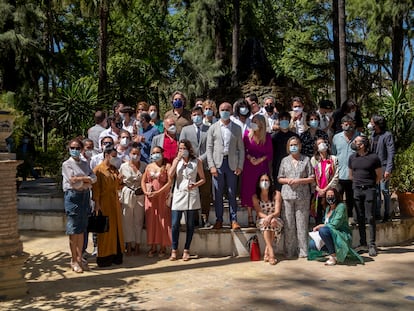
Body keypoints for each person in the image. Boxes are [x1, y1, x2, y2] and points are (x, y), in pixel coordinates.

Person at [207, 102, 245, 230]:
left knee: (232, 192)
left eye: (227, 109)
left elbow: (241, 148)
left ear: (231, 111)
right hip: (218, 164)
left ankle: (234, 220)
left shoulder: (237, 128)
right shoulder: (213, 128)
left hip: (232, 163)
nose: (225, 111)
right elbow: (209, 148)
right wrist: (211, 165)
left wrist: (240, 165)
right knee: (217, 194)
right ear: (218, 111)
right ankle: (219, 220)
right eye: (222, 109)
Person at [62, 138, 97, 272]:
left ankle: (80, 256)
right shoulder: (67, 164)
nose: (75, 150)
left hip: (84, 196)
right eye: (72, 147)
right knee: (73, 229)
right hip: (73, 197)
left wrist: (81, 180)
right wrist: (85, 180)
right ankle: (73, 260)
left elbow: (93, 178)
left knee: (82, 228)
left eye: (77, 148)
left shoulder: (84, 163)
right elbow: (72, 181)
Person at [168, 139, 205, 261]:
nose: (182, 151)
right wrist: (177, 160)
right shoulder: (176, 161)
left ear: (189, 149)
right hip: (178, 194)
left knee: (190, 224)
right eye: (180, 149)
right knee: (175, 224)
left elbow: (203, 179)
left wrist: (194, 185)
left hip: (191, 193)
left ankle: (186, 249)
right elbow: (170, 175)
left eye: (184, 148)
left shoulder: (196, 161)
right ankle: (174, 249)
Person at [278, 137, 314, 258]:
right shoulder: (284, 161)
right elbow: (279, 178)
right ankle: (289, 251)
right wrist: (288, 180)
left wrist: (300, 180)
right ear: (288, 147)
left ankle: (303, 251)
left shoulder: (306, 159)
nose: (293, 147)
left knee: (302, 224)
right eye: (291, 145)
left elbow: (312, 177)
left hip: (302, 196)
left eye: (295, 144)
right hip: (287, 196)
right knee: (289, 225)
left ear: (300, 146)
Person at [308, 188, 364, 265]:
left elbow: (335, 224)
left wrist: (321, 226)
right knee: (312, 244)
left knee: (323, 230)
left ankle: (333, 256)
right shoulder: (328, 208)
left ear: (336, 196)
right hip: (331, 235)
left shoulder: (341, 207)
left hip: (341, 235)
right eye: (328, 196)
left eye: (332, 195)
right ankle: (334, 251)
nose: (330, 197)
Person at [349, 135, 382, 257]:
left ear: (362, 144)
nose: (354, 143)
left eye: (356, 142)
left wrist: (371, 185)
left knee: (370, 217)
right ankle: (362, 243)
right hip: (357, 190)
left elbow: (379, 175)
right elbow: (350, 175)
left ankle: (372, 245)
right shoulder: (352, 157)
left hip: (369, 190)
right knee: (360, 217)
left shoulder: (374, 158)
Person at [92, 146, 125, 267]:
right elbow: (96, 189)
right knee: (105, 231)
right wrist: (97, 204)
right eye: (113, 156)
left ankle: (116, 255)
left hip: (114, 203)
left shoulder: (113, 169)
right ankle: (104, 257)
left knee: (116, 229)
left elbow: (118, 186)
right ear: (107, 155)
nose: (115, 159)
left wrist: (120, 180)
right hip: (104, 203)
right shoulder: (98, 170)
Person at [179, 106, 212, 227]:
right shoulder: (185, 130)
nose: (196, 116)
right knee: (192, 192)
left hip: (205, 166)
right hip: (190, 166)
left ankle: (205, 218)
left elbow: (211, 147)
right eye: (193, 114)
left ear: (203, 115)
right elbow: (182, 146)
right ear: (191, 116)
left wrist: (200, 159)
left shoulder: (209, 129)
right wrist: (193, 160)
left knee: (205, 193)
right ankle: (194, 219)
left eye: (198, 114)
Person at [241, 114, 273, 227]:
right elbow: (243, 150)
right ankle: (250, 215)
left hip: (261, 167)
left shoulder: (267, 137)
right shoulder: (246, 135)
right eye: (252, 121)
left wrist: (260, 160)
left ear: (261, 123)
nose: (253, 123)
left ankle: (260, 214)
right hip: (249, 166)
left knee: (260, 189)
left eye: (256, 121)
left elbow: (269, 153)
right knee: (249, 189)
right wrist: (250, 158)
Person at [141, 146, 172, 257]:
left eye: (158, 152)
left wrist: (159, 192)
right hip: (150, 197)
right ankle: (153, 246)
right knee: (151, 220)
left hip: (162, 196)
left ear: (162, 153)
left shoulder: (167, 166)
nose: (155, 154)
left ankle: (163, 247)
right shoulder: (149, 166)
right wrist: (145, 192)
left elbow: (169, 182)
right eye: (153, 153)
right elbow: (143, 181)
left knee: (163, 220)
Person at [332, 115, 360, 225]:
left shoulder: (359, 137)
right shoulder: (336, 138)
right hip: (339, 174)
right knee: (337, 197)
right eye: (346, 124)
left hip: (354, 175)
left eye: (350, 123)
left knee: (351, 199)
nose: (348, 126)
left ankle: (351, 217)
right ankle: (337, 219)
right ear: (342, 125)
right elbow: (334, 155)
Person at [119, 144, 146, 256]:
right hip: (127, 194)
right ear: (129, 154)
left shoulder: (144, 166)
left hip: (140, 194)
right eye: (133, 154)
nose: (135, 156)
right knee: (127, 220)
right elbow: (120, 181)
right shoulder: (124, 166)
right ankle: (129, 245)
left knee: (138, 221)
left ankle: (138, 245)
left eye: (137, 154)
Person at [368, 114, 395, 222]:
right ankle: (377, 214)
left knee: (384, 190)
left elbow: (391, 153)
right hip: (374, 168)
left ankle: (387, 213)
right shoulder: (373, 134)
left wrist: (388, 169)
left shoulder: (387, 135)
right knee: (376, 191)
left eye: (372, 122)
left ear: (377, 124)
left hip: (383, 167)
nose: (370, 124)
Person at [252, 173, 283, 265]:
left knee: (273, 222)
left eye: (266, 180)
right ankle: (271, 252)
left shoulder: (277, 194)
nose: (264, 182)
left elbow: (277, 211)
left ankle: (267, 251)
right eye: (262, 180)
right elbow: (259, 212)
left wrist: (271, 217)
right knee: (266, 223)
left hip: (275, 218)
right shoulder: (255, 196)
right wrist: (268, 218)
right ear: (258, 183)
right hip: (262, 219)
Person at [310, 138, 339, 224]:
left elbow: (336, 176)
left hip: (330, 191)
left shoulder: (333, 159)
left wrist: (326, 189)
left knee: (331, 214)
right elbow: (312, 176)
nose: (322, 144)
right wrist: (318, 189)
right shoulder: (313, 160)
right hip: (318, 193)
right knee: (318, 215)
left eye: (323, 142)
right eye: (319, 143)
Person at [271, 112, 299, 191]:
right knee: (278, 191)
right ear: (279, 121)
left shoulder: (294, 136)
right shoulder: (273, 137)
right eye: (282, 119)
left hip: (292, 166)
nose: (284, 121)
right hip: (277, 167)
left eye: (286, 119)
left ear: (289, 121)